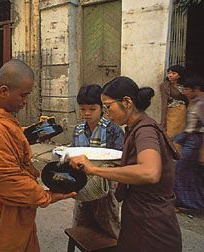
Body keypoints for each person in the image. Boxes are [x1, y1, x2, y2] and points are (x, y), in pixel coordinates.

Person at [0, 59, 75, 251]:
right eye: (23, 96)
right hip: (1, 214)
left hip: (15, 209)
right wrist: (46, 196)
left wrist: (40, 130)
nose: (26, 102)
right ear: (3, 91)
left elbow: (13, 139)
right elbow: (8, 181)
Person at [69, 76, 182, 252]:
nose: (107, 113)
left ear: (127, 102)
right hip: (139, 217)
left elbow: (149, 172)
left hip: (152, 224)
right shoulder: (134, 128)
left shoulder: (145, 131)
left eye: (108, 106)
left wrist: (94, 169)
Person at [70, 84, 124, 239]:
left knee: (109, 226)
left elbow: (120, 159)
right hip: (82, 184)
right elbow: (74, 152)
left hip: (105, 186)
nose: (87, 113)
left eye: (92, 109)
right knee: (81, 225)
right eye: (83, 109)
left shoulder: (113, 129)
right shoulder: (78, 130)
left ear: (102, 108)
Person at [173, 75, 204, 210]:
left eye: (186, 89)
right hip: (189, 136)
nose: (184, 92)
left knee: (181, 169)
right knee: (188, 172)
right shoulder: (195, 101)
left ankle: (190, 203)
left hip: (196, 140)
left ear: (195, 89)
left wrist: (202, 152)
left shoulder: (202, 103)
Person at [160, 65, 187, 141]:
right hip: (170, 112)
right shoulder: (165, 86)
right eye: (169, 73)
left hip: (181, 113)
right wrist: (163, 121)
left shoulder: (185, 86)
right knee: (169, 135)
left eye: (173, 73)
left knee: (179, 134)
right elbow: (164, 103)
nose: (170, 75)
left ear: (180, 75)